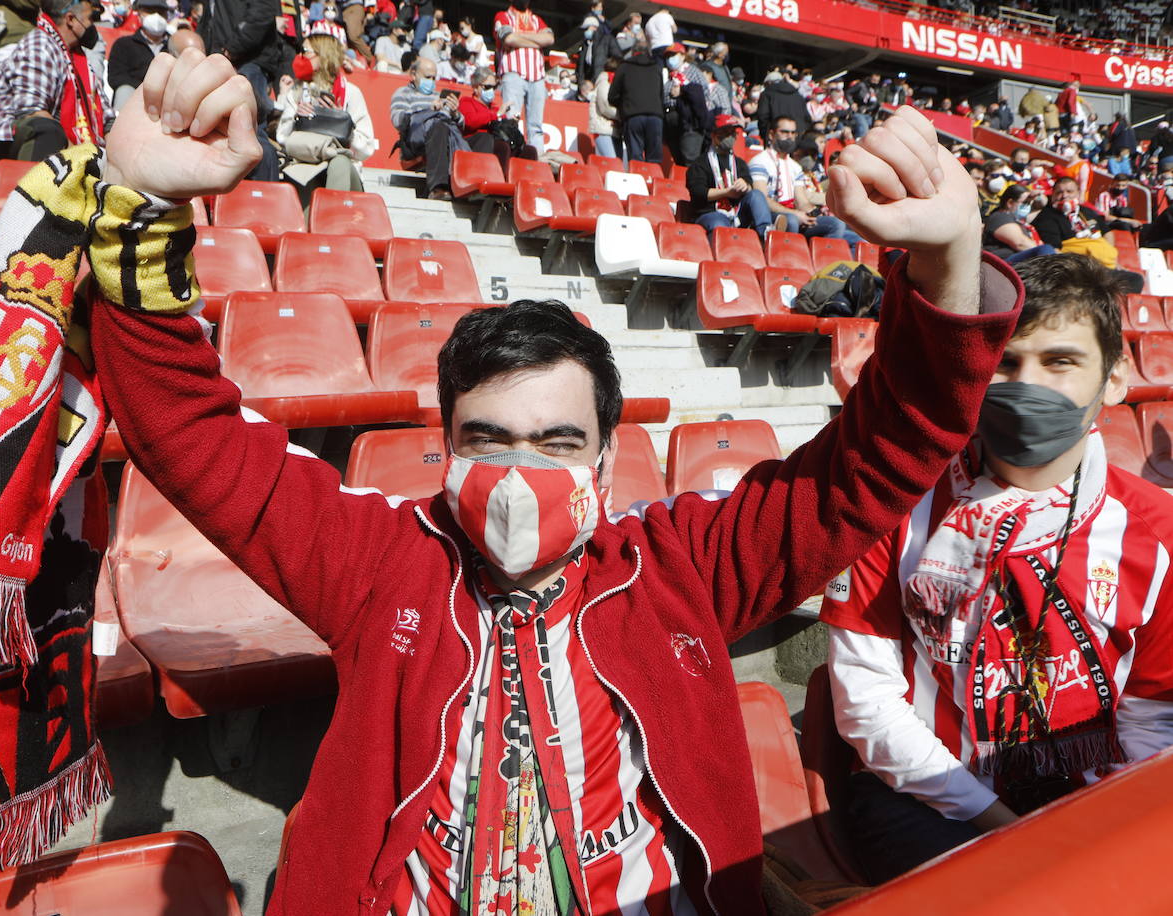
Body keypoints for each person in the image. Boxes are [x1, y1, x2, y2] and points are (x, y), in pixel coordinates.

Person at [93, 53, 1019, 912]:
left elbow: (879, 457)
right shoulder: (379, 561)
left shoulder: (681, 567)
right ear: (444, 445)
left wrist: (946, 268)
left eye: (557, 441)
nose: (517, 474)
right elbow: (192, 437)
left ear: (608, 457)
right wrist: (140, 205)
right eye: (488, 439)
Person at [822, 251, 1173, 884]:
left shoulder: (1159, 531)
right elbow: (867, 704)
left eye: (1060, 361)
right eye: (1005, 363)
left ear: (1115, 379)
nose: (1025, 385)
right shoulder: (893, 506)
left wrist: (1100, 820)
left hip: (1092, 794)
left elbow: (1152, 718)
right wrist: (1005, 824)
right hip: (930, 798)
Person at [0, 0, 109, 173]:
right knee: (46, 130)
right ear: (71, 19)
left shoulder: (80, 60)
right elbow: (31, 111)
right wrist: (78, 158)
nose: (93, 26)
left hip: (37, 134)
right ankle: (32, 197)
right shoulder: (39, 45)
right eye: (90, 18)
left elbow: (107, 118)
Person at [275, 32, 375, 191]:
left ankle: (333, 215)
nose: (301, 56)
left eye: (306, 50)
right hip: (305, 162)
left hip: (343, 168)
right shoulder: (297, 91)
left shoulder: (350, 93)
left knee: (339, 162)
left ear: (323, 56)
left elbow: (366, 149)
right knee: (299, 173)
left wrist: (340, 122)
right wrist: (296, 118)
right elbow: (282, 137)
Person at [749, 116, 860, 245]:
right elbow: (762, 199)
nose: (789, 136)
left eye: (792, 133)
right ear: (772, 134)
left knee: (835, 224)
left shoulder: (795, 167)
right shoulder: (759, 161)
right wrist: (795, 214)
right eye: (784, 132)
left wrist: (811, 213)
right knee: (791, 220)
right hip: (771, 216)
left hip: (794, 215)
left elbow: (801, 200)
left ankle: (822, 263)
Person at [389, 55, 468, 200]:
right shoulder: (403, 93)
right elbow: (398, 121)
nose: (431, 82)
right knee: (439, 127)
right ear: (413, 75)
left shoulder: (440, 96)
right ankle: (438, 187)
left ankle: (471, 183)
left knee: (484, 138)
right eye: (428, 77)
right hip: (415, 140)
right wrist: (428, 111)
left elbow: (462, 125)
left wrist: (455, 113)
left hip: (445, 136)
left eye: (434, 78)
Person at [687, 113, 772, 239]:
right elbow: (698, 192)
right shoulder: (700, 164)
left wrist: (745, 186)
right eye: (726, 132)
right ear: (715, 136)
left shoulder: (739, 163)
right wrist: (726, 192)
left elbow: (749, 184)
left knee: (756, 195)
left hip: (736, 212)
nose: (731, 137)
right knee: (719, 222)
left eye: (733, 132)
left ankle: (766, 234)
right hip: (710, 212)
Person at [493, 0, 552, 152]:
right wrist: (537, 41)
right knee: (511, 121)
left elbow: (550, 39)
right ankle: (511, 160)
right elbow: (508, 38)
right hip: (514, 73)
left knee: (536, 126)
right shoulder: (503, 16)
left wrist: (519, 37)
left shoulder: (536, 19)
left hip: (537, 76)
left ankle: (535, 162)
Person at [607, 37, 664, 164]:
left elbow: (612, 96)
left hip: (633, 116)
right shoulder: (656, 67)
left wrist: (623, 104)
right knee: (654, 159)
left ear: (633, 52)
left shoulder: (624, 67)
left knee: (635, 158)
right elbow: (661, 94)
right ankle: (653, 182)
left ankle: (639, 181)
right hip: (655, 116)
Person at [107, 0, 170, 108]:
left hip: (168, 102)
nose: (156, 16)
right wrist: (148, 89)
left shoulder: (174, 45)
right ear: (140, 14)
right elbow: (116, 78)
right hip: (135, 100)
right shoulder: (124, 44)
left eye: (161, 12)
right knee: (124, 90)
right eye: (150, 11)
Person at [982, 184, 1052, 264]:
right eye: (1025, 202)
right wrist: (1047, 255)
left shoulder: (1020, 221)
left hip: (1020, 263)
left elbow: (1042, 205)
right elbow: (1020, 243)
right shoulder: (1000, 217)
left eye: (1029, 203)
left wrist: (1039, 195)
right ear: (1010, 203)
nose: (1027, 206)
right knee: (1045, 249)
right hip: (1002, 264)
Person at [754, 69, 808, 138]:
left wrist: (765, 135)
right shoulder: (798, 95)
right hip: (797, 136)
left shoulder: (766, 95)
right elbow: (807, 118)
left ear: (769, 83)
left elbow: (763, 116)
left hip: (777, 137)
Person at [589, 58, 620, 160]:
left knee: (617, 164)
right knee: (612, 163)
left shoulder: (611, 81)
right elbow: (605, 106)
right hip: (603, 128)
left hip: (613, 129)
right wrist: (621, 116)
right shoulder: (605, 81)